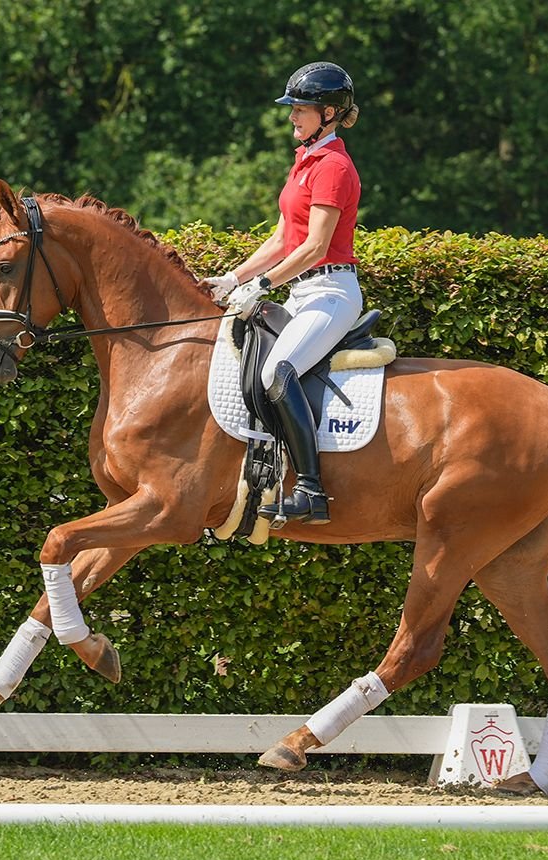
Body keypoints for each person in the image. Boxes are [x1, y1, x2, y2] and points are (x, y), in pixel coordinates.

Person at [206, 61, 363, 526]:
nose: (292, 116)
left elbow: (315, 245)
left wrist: (264, 284)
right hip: (302, 292)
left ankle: (311, 489)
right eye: (291, 107)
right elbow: (281, 241)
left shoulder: (333, 166)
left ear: (329, 112)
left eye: (301, 108)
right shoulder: (304, 162)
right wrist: (234, 279)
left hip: (332, 291)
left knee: (279, 370)